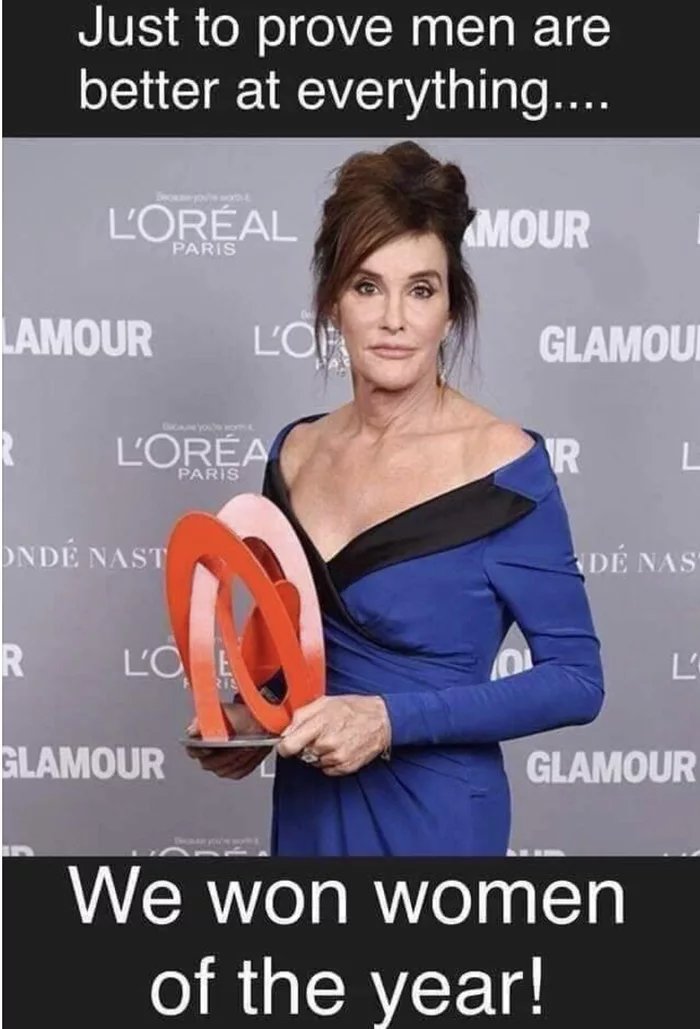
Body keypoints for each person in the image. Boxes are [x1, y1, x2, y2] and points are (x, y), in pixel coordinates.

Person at [186, 140, 605, 855]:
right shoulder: (294, 453)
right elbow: (293, 648)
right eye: (366, 286)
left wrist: (388, 720)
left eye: (421, 289)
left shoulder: (504, 466)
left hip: (435, 818)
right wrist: (255, 720)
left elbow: (576, 680)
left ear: (451, 309)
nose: (394, 320)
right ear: (332, 302)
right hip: (310, 809)